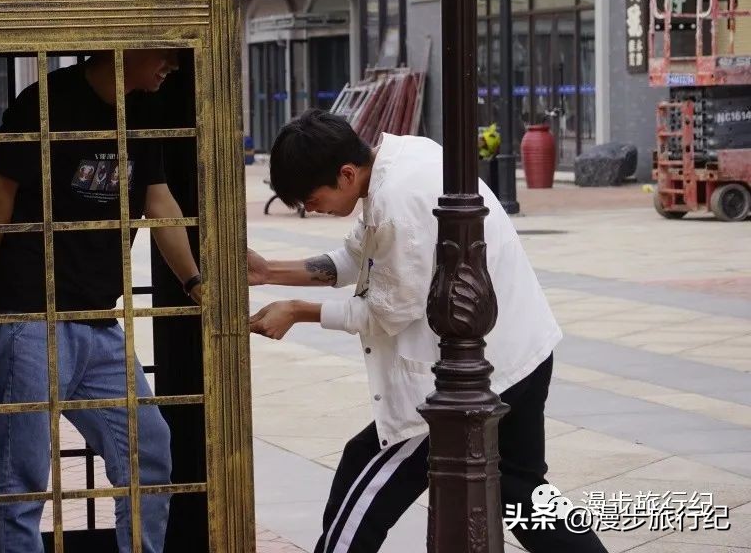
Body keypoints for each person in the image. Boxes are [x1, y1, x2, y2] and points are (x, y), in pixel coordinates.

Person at [247, 109, 607, 553]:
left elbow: (387, 312)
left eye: (312, 200)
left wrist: (298, 311)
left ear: (344, 174)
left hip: (466, 379)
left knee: (368, 487)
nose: (312, 210)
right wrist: (267, 272)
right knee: (521, 492)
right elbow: (354, 258)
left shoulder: (398, 201)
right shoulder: (398, 161)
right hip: (519, 355)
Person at [0, 49, 202, 553]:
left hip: (100, 318)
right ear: (130, 49)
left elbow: (158, 200)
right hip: (31, 315)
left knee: (149, 448)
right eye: (164, 53)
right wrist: (3, 288)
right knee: (26, 469)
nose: (173, 66)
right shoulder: (45, 101)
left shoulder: (143, 109)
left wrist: (193, 280)